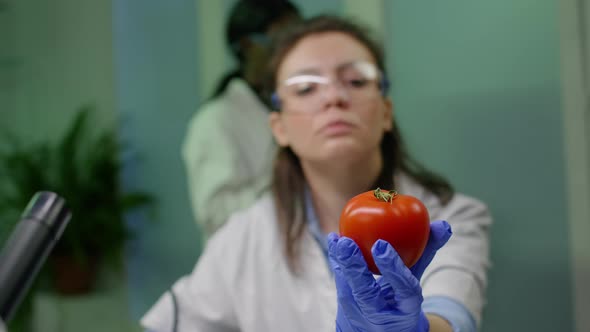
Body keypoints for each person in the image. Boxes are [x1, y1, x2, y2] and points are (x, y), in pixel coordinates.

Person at [143, 15, 492, 332]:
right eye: (306, 88)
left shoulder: (449, 216)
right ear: (279, 128)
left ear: (386, 112)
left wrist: (417, 330)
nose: (334, 97)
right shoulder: (243, 238)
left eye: (355, 80)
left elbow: (453, 315)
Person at [182, 0, 301, 236]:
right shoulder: (215, 120)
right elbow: (215, 214)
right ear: (248, 46)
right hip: (249, 260)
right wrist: (289, 179)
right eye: (282, 40)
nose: (293, 52)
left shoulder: (294, 105)